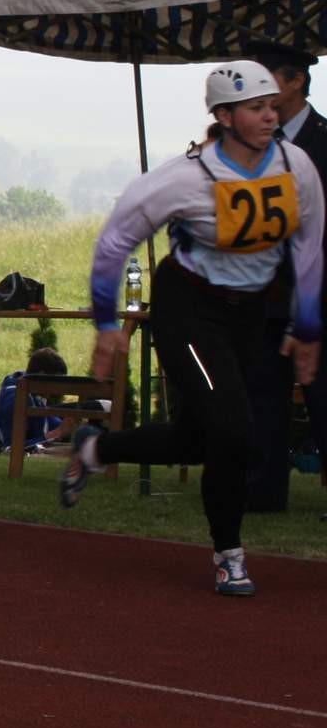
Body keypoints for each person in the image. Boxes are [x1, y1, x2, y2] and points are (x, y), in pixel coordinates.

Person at [61, 61, 322, 597]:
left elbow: (310, 244)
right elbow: (115, 242)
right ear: (224, 117)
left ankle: (96, 450)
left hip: (252, 313)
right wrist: (107, 323)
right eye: (256, 108)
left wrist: (308, 325)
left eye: (272, 106)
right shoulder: (185, 178)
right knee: (234, 431)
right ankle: (230, 556)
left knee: (197, 439)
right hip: (190, 310)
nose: (270, 116)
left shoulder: (294, 165)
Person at [243, 39, 327, 511]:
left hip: (316, 294)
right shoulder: (251, 145)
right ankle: (263, 493)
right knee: (263, 394)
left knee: (323, 394)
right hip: (264, 291)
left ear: (295, 81)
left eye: (267, 78)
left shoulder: (323, 140)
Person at [0, 347, 91, 454]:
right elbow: (9, 449)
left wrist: (73, 425)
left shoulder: (34, 394)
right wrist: (56, 433)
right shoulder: (14, 400)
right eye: (56, 382)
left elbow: (53, 423)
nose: (57, 389)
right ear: (41, 375)